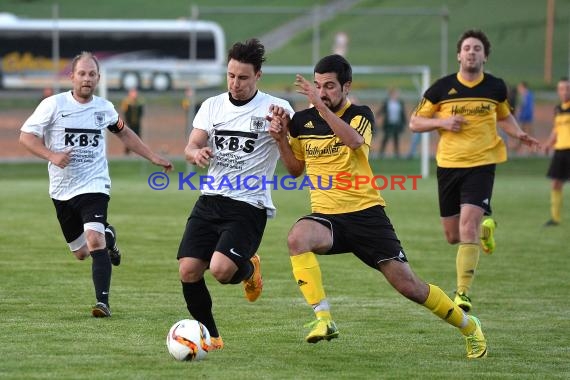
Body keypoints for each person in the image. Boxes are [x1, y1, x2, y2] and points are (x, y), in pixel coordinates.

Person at [269, 54, 488, 359]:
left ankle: (468, 326)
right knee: (296, 238)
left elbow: (354, 142)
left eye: (330, 86)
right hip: (327, 218)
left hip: (366, 216)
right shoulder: (302, 123)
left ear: (347, 86)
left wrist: (319, 107)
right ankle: (324, 319)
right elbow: (295, 169)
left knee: (410, 287)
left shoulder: (360, 114)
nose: (322, 92)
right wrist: (281, 139)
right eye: (318, 86)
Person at [19, 51, 173, 318]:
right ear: (72, 77)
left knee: (94, 239)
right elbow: (26, 137)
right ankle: (110, 238)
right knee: (81, 252)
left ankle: (103, 303)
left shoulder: (104, 108)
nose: (86, 79)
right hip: (62, 190)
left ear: (98, 78)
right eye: (82, 74)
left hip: (94, 184)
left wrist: (152, 156)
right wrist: (52, 155)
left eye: (92, 74)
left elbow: (124, 132)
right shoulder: (53, 105)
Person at [409, 30, 540, 312]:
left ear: (485, 56)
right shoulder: (441, 88)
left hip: (482, 164)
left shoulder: (495, 87)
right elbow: (415, 122)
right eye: (467, 48)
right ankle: (485, 230)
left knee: (466, 226)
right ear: (459, 55)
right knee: (453, 236)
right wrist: (442, 124)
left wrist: (519, 135)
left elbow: (504, 117)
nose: (471, 52)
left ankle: (463, 293)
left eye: (477, 48)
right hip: (448, 165)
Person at [177, 38, 294, 351]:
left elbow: (296, 167)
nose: (235, 83)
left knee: (220, 270)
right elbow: (191, 145)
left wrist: (282, 137)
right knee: (188, 270)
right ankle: (211, 337)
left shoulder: (277, 111)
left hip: (248, 204)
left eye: (243, 77)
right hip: (210, 199)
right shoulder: (212, 105)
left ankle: (249, 268)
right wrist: (195, 153)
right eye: (231, 75)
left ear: (258, 75)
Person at [544, 77, 570, 226]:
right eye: (562, 88)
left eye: (567, 88)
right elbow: (556, 130)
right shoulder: (558, 109)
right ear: (558, 91)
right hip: (560, 150)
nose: (565, 91)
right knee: (555, 184)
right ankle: (555, 218)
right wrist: (548, 144)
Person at [377, 87, 407, 159]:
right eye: (394, 94)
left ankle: (397, 154)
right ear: (391, 95)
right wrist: (377, 115)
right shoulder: (387, 102)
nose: (396, 95)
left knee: (396, 139)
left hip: (396, 123)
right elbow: (382, 110)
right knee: (386, 138)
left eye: (396, 94)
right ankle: (381, 154)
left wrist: (405, 121)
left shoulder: (400, 103)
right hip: (388, 124)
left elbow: (402, 113)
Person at [120, 88, 145, 154]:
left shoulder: (139, 102)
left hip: (137, 124)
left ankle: (140, 152)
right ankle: (127, 153)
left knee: (138, 138)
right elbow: (125, 112)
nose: (134, 95)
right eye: (133, 93)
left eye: (135, 93)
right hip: (129, 124)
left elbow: (141, 112)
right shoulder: (127, 102)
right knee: (129, 138)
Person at [514, 81, 534, 155]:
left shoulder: (526, 95)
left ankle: (530, 149)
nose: (519, 89)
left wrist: (520, 115)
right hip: (526, 117)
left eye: (520, 87)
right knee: (524, 133)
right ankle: (519, 147)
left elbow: (525, 107)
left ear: (523, 87)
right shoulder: (527, 95)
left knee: (526, 133)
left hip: (526, 117)